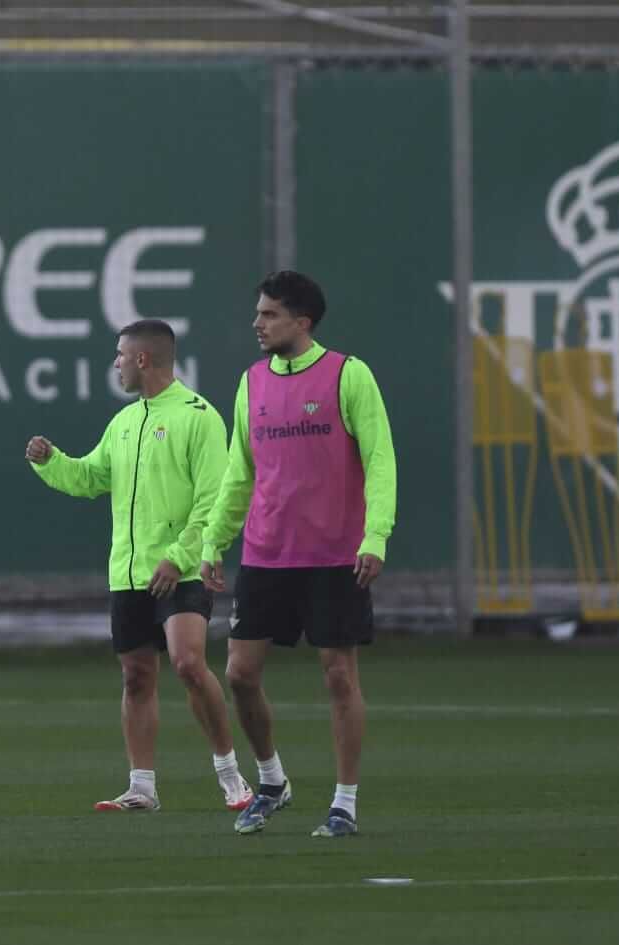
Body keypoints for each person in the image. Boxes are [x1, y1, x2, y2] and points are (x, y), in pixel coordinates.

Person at [199, 270, 396, 839]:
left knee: (338, 676)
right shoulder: (252, 382)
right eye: (258, 313)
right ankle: (272, 782)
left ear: (301, 322)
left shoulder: (348, 375)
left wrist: (375, 535)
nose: (257, 323)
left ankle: (344, 803)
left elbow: (380, 460)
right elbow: (240, 472)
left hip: (336, 554)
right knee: (238, 674)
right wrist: (215, 539)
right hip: (266, 553)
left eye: (269, 315)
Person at [26, 319, 252, 813]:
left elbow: (214, 499)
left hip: (181, 571)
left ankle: (232, 775)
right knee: (136, 678)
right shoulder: (125, 422)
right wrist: (51, 461)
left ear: (143, 359)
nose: (116, 363)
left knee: (190, 664)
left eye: (120, 355)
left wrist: (180, 556)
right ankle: (142, 787)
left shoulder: (200, 416)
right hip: (127, 574)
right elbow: (90, 477)